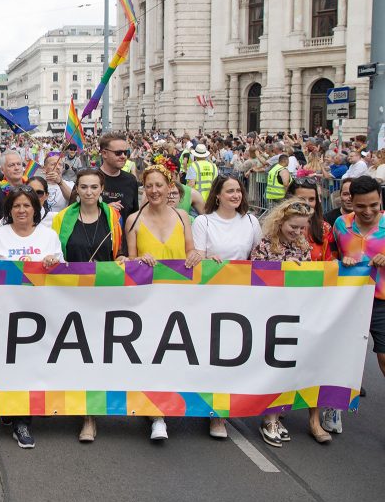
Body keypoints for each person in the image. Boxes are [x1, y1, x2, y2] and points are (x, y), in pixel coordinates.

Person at [0, 185, 63, 450]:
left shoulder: (49, 237)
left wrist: (54, 262)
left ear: (35, 209)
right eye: (16, 206)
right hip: (6, 313)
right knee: (10, 365)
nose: (21, 210)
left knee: (30, 367)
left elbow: (64, 275)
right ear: (9, 210)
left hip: (40, 314)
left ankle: (21, 420)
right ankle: (13, 411)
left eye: (26, 205)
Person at [125, 165, 200, 441]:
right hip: (148, 300)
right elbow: (129, 261)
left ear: (170, 188)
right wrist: (138, 261)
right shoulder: (133, 220)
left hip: (180, 298)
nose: (154, 191)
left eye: (159, 185)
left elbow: (190, 249)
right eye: (149, 186)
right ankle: (157, 414)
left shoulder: (182, 217)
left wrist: (196, 256)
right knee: (153, 356)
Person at [51, 169, 125, 444]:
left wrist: (125, 260)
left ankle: (89, 415)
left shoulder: (114, 217)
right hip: (70, 297)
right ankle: (78, 407)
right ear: (77, 190)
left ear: (102, 188)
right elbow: (56, 254)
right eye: (84, 187)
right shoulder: (62, 218)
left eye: (94, 187)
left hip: (105, 297)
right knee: (76, 356)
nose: (89, 192)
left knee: (96, 356)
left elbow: (122, 252)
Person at [250, 199, 332, 446]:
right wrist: (283, 267)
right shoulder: (265, 245)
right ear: (281, 222)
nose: (297, 232)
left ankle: (275, 414)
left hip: (292, 313)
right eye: (293, 227)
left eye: (301, 228)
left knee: (286, 366)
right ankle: (269, 417)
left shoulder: (303, 246)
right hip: (269, 313)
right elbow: (254, 274)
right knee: (272, 365)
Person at [189, 174, 261, 438]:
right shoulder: (204, 222)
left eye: (238, 191)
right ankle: (213, 413)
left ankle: (222, 411)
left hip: (241, 297)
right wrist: (207, 258)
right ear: (217, 195)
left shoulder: (251, 221)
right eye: (230, 191)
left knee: (232, 355)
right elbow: (195, 256)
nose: (235, 195)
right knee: (212, 353)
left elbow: (258, 256)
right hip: (210, 295)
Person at [334, 175, 385, 430]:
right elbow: (331, 258)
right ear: (350, 201)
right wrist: (343, 262)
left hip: (381, 304)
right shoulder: (340, 225)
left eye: (373, 205)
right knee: (341, 356)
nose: (368, 211)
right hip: (350, 302)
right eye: (361, 205)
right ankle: (332, 409)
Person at [286, 178, 335, 261]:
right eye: (301, 199)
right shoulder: (276, 226)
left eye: (311, 199)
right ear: (289, 199)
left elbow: (329, 263)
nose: (307, 204)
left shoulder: (324, 228)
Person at [98, 133, 140, 221]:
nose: (123, 156)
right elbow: (76, 211)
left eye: (126, 152)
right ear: (104, 153)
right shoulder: (89, 178)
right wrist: (104, 209)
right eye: (118, 153)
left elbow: (134, 215)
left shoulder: (131, 180)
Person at [0, 150, 27, 223]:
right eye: (11, 165)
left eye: (19, 164)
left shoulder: (32, 189)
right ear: (2, 170)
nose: (16, 168)